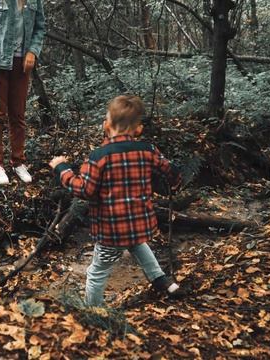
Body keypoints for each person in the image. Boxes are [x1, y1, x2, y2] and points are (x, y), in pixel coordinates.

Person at [49, 95, 186, 306]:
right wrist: (173, 185)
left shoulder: (99, 156)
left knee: (97, 271)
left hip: (111, 230)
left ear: (107, 125)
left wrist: (62, 169)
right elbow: (174, 173)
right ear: (138, 129)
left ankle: (93, 311)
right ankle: (163, 281)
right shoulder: (148, 150)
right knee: (136, 242)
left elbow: (84, 190)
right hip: (139, 223)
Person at [0, 0, 46, 185]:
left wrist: (33, 51)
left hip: (21, 64)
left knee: (18, 114)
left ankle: (18, 162)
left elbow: (40, 26)